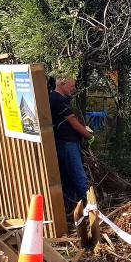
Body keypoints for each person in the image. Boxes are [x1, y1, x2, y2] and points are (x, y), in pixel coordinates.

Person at [49, 77, 94, 212]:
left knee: (68, 177)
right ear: (62, 82)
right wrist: (90, 137)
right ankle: (91, 210)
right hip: (67, 143)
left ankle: (72, 210)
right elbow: (74, 123)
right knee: (79, 176)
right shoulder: (57, 99)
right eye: (72, 85)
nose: (73, 89)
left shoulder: (55, 98)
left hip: (63, 142)